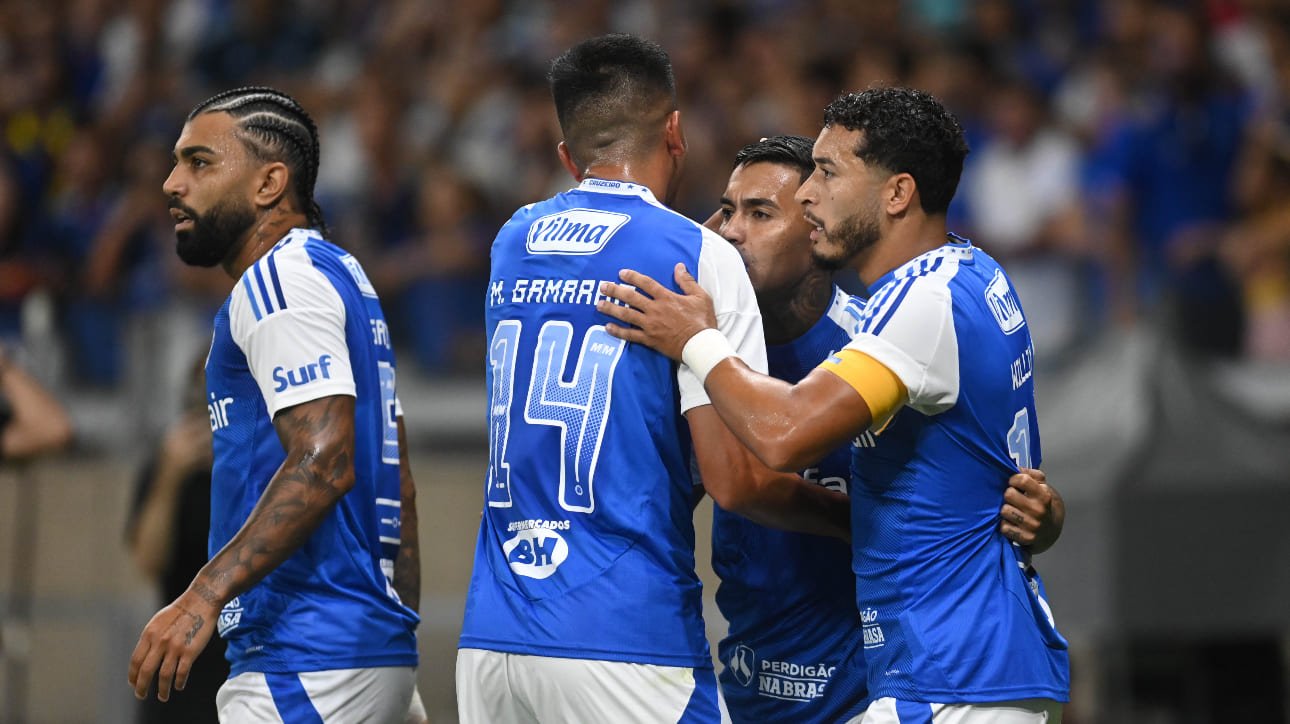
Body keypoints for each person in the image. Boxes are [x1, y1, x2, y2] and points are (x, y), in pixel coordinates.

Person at [599, 87, 1070, 722]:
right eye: (726, 213)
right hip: (913, 672)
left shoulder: (920, 307)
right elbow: (986, 471)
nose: (810, 194)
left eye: (826, 173)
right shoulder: (970, 274)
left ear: (897, 194)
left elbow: (784, 433)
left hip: (948, 673)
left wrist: (698, 341)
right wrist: (1043, 515)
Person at [456, 34, 851, 724]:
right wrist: (868, 521)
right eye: (735, 214)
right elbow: (736, 482)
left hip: (494, 638)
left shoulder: (513, 240)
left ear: (565, 157)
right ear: (675, 131)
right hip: (622, 636)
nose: (733, 230)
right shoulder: (697, 259)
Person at [127, 86, 426, 724]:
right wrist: (392, 646)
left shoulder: (279, 283)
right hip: (354, 654)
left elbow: (323, 461)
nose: (172, 183)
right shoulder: (339, 273)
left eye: (199, 162)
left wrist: (200, 596)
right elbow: (398, 483)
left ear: (269, 183)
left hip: (303, 659)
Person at [125, 354, 226, 724]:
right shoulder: (168, 465)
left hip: (250, 652)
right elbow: (148, 561)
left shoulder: (267, 466)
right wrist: (170, 476)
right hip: (183, 654)